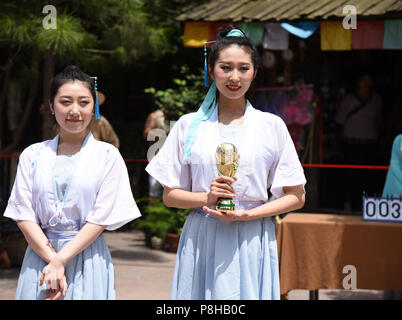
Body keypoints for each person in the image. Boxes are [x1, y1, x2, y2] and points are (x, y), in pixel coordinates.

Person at [146, 26, 306, 300]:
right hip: (203, 234)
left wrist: (247, 215)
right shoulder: (188, 125)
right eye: (225, 67)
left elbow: (296, 196)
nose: (234, 77)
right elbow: (170, 196)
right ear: (211, 71)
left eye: (243, 68)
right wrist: (206, 197)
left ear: (255, 72)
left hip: (252, 235)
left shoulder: (271, 126)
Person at [3, 65, 141, 300]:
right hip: (40, 258)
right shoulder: (32, 155)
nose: (74, 110)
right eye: (65, 102)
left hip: (87, 257)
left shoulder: (107, 156)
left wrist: (60, 260)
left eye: (84, 102)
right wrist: (52, 260)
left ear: (94, 106)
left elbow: (100, 217)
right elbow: (24, 215)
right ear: (51, 105)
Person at [335, 72, 382, 210]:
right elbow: (340, 121)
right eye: (363, 79)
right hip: (351, 144)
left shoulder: (377, 100)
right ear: (357, 82)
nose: (366, 83)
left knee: (368, 176)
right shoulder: (348, 99)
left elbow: (379, 121)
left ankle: (368, 206)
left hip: (369, 144)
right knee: (350, 175)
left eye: (369, 79)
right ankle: (348, 204)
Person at [143, 109, 168, 197]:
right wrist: (165, 136)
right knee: (154, 189)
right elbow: (147, 133)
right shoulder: (155, 116)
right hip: (157, 155)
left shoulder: (174, 116)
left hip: (170, 157)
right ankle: (152, 209)